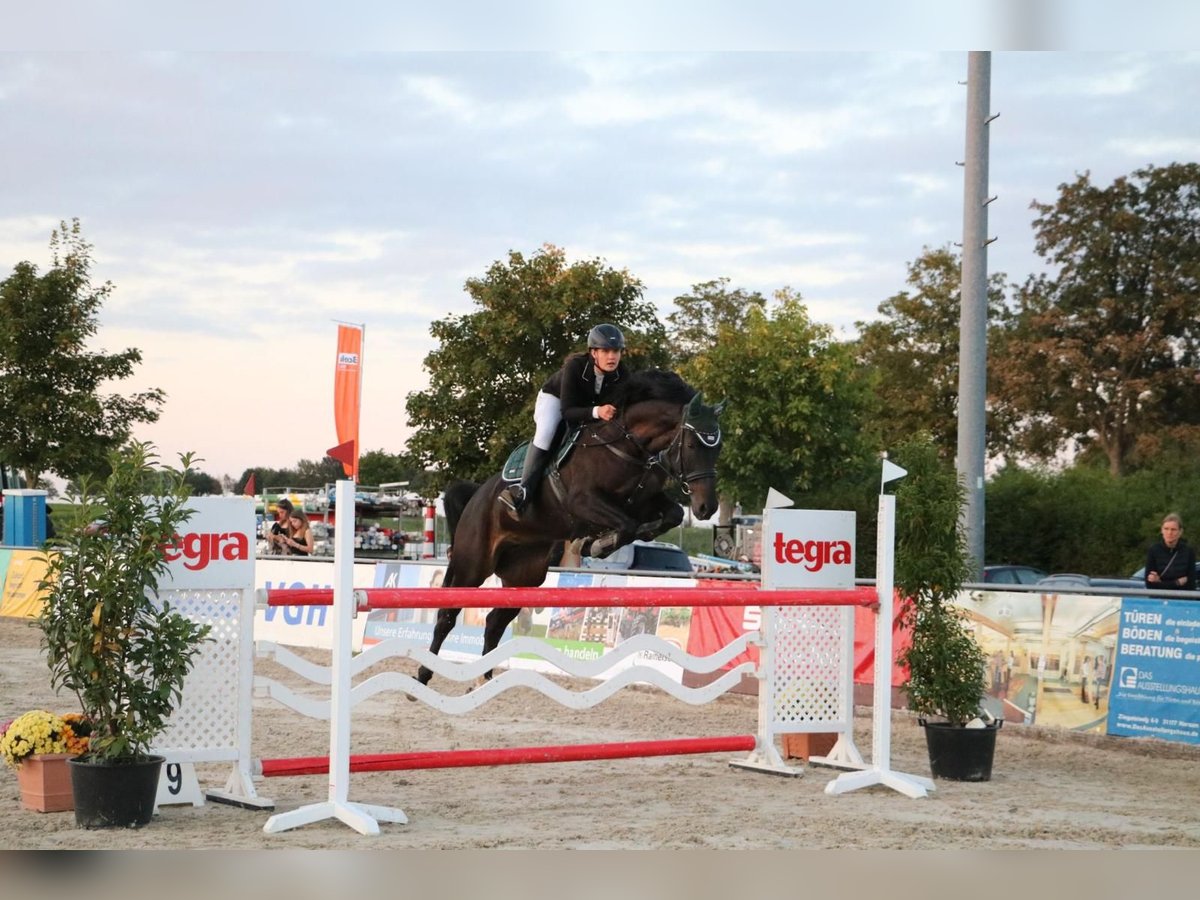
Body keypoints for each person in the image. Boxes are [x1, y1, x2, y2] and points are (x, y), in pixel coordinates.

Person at [500, 323, 630, 515]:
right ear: (594, 352)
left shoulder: (622, 374)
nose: (612, 357)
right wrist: (597, 412)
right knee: (546, 433)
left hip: (589, 408)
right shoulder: (575, 367)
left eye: (616, 351)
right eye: (606, 351)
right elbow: (568, 412)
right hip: (555, 400)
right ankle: (523, 491)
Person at [1144, 513, 1197, 591]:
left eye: (1173, 529)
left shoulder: (1188, 552)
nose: (1169, 533)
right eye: (1166, 529)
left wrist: (1160, 582)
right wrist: (1177, 583)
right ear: (1161, 530)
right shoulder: (1154, 550)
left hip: (1181, 600)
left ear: (1180, 532)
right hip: (1159, 600)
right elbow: (1150, 585)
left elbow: (1191, 585)